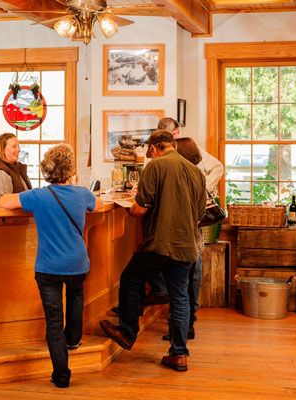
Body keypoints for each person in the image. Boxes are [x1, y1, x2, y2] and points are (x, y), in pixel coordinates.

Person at [0, 144, 103, 388]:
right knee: (76, 296)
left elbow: (4, 201)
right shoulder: (82, 193)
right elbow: (97, 205)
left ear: (47, 171)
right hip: (78, 263)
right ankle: (74, 340)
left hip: (49, 266)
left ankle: (62, 375)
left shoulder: (38, 196)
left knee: (54, 320)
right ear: (69, 169)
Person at [100, 130, 205, 372]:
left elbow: (140, 209)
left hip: (159, 243)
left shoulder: (155, 167)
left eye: (150, 151)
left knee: (130, 277)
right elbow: (199, 215)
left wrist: (127, 207)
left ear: (156, 148)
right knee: (180, 298)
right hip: (186, 245)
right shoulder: (195, 172)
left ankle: (127, 332)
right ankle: (179, 354)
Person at [144, 117, 225, 306]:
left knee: (190, 263)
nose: (174, 138)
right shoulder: (165, 157)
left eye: (173, 134)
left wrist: (202, 189)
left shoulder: (186, 147)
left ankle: (185, 310)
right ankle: (183, 312)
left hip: (189, 217)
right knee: (187, 264)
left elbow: (218, 167)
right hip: (186, 218)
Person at [161, 137, 206, 342]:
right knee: (191, 281)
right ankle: (188, 324)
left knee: (180, 287)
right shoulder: (197, 174)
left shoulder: (183, 175)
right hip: (195, 239)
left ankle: (180, 330)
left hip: (183, 238)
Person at [0, 133, 32, 202]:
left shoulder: (18, 167)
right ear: (3, 150)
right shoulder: (0, 172)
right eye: (14, 146)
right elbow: (5, 206)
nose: (18, 149)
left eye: (18, 146)